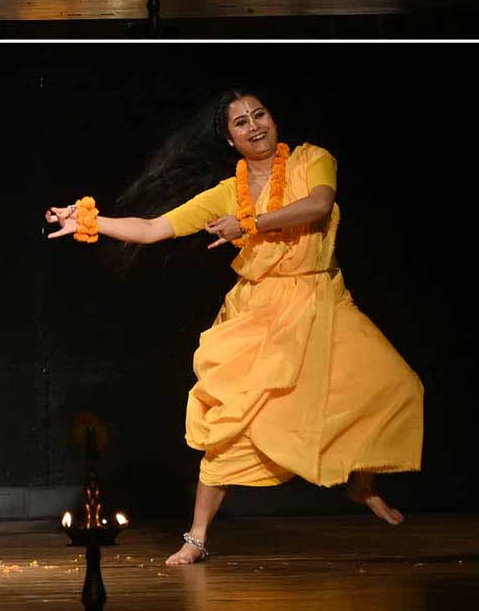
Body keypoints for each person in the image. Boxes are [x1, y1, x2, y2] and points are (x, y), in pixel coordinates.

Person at [45, 88, 423, 566]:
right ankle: (197, 537)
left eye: (259, 114)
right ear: (229, 139)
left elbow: (318, 207)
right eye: (241, 122)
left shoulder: (313, 159)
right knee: (230, 422)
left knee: (394, 386)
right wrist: (91, 221)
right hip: (260, 312)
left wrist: (249, 224)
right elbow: (153, 228)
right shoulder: (228, 193)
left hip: (322, 297)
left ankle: (360, 481)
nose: (255, 126)